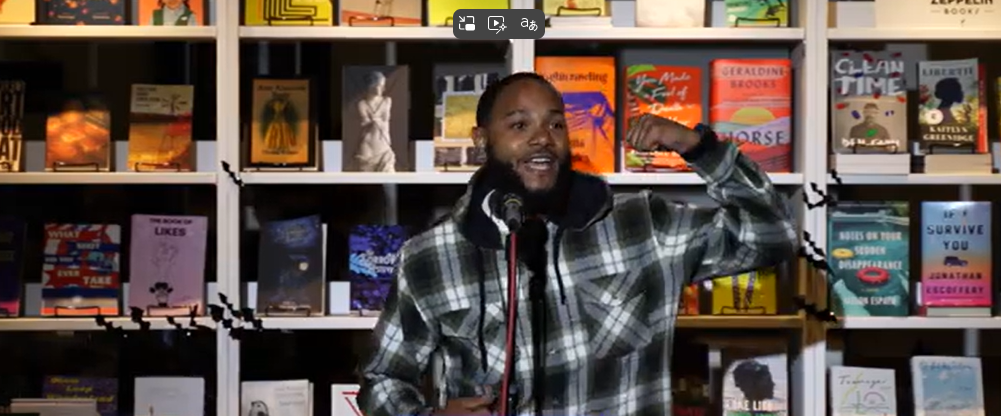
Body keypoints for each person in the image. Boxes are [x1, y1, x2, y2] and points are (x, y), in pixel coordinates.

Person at [357, 72, 797, 416]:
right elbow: (382, 379)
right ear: (481, 141)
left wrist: (698, 147)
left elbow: (771, 234)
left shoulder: (642, 224)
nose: (542, 137)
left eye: (555, 124)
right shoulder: (429, 258)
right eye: (519, 124)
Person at [354, 71, 396, 172]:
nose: (383, 89)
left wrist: (374, 120)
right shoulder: (362, 104)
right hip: (368, 146)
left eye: (383, 86)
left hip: (384, 146)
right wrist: (372, 121)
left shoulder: (387, 101)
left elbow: (385, 119)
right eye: (380, 86)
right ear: (371, 86)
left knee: (389, 178)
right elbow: (365, 123)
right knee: (366, 183)